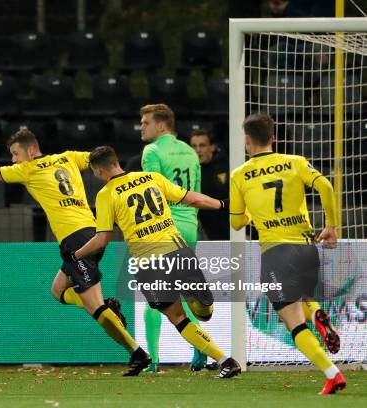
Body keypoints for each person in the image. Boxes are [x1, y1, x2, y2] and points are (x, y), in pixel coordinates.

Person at [0, 129, 151, 376]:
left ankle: (136, 352)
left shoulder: (28, 169)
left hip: (75, 240)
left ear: (31, 150)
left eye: (15, 154)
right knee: (57, 290)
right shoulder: (69, 157)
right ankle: (110, 310)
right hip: (92, 232)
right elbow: (102, 159)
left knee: (94, 307)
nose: (13, 160)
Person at [62, 145, 241, 379]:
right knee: (203, 312)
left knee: (177, 317)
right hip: (178, 252)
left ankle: (226, 361)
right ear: (117, 162)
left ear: (97, 171)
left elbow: (102, 239)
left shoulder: (106, 194)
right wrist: (223, 204)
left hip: (149, 264)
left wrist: (76, 255)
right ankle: (205, 307)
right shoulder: (151, 178)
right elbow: (191, 198)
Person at [230, 113, 344, 394]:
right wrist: (330, 225)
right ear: (273, 138)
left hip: (275, 251)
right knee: (303, 297)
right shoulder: (295, 162)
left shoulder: (240, 175)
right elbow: (326, 186)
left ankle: (333, 375)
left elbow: (236, 222)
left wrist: (251, 210)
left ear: (247, 141)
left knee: (292, 321)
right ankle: (317, 312)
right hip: (306, 247)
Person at [139, 104, 207, 371]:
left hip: (165, 227)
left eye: (146, 122)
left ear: (162, 125)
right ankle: (200, 348)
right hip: (190, 226)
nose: (141, 126)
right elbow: (196, 193)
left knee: (155, 294)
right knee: (179, 291)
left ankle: (153, 360)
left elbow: (152, 191)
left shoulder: (152, 151)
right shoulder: (190, 152)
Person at [190, 128, 230, 240]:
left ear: (212, 147)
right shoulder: (190, 170)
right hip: (204, 230)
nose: (198, 150)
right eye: (194, 146)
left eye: (202, 145)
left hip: (228, 228)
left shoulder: (227, 165)